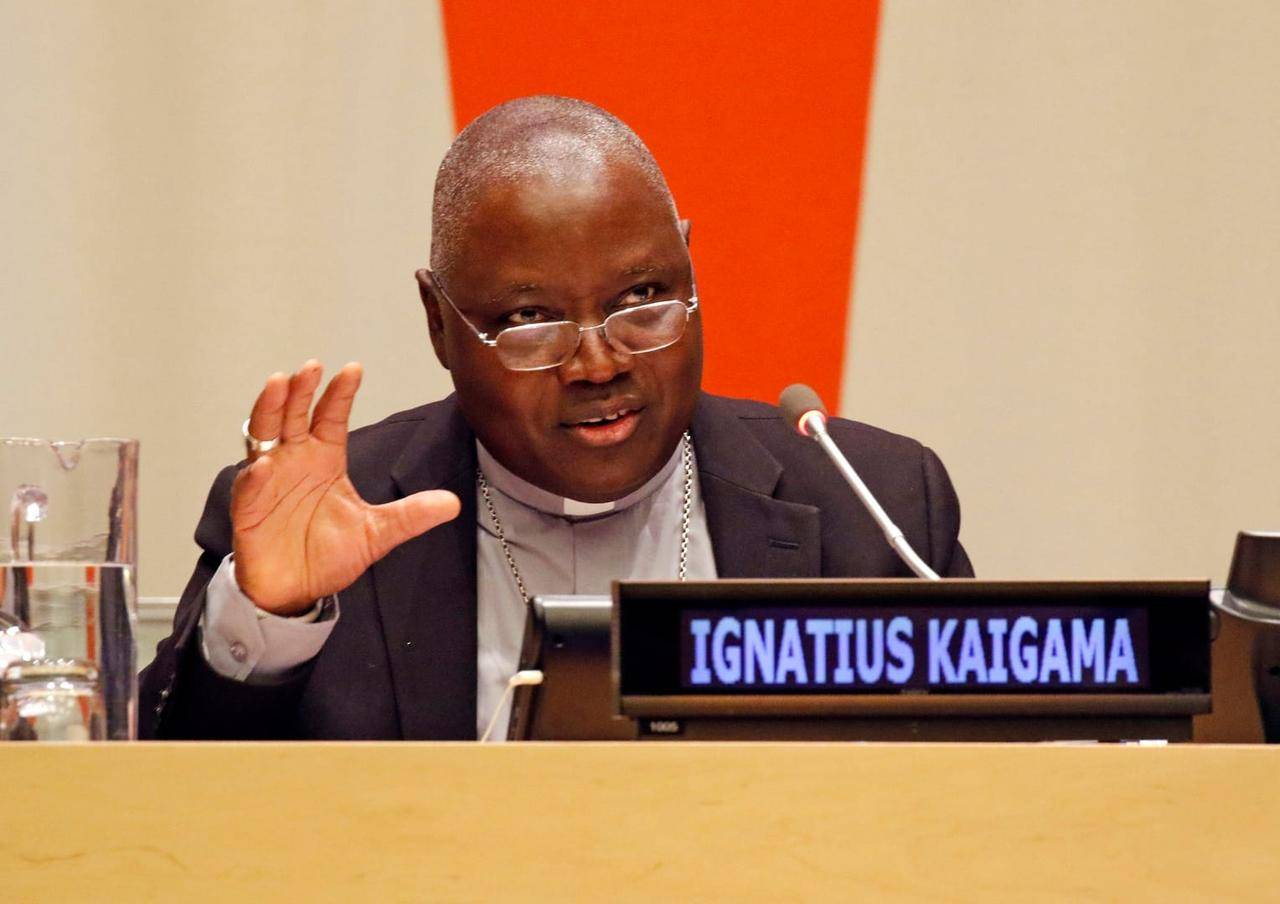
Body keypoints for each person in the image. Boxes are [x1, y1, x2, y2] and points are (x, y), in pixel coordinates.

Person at [140, 95, 972, 740]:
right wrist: (269, 620)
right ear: (439, 323)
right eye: (531, 320)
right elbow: (163, 823)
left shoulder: (876, 508)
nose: (599, 364)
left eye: (643, 300)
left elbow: (978, 804)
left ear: (690, 267)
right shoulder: (330, 521)